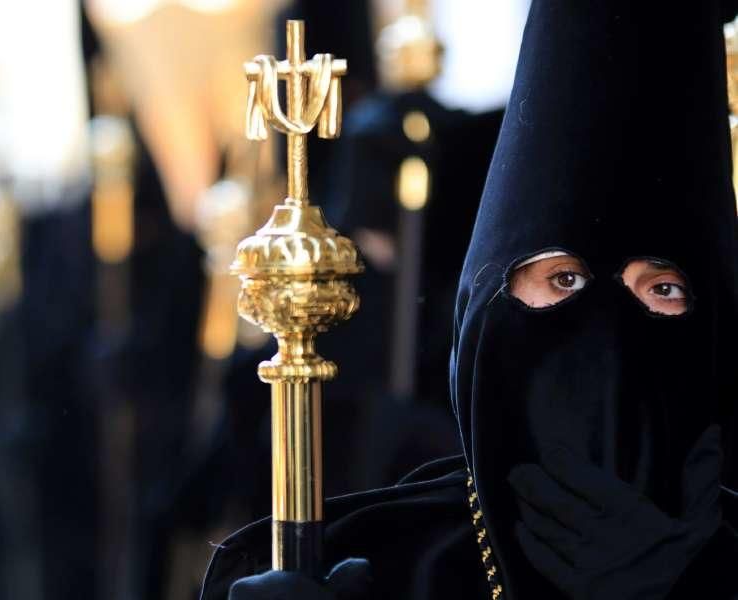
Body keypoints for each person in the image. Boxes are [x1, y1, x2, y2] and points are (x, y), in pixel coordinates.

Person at [199, 1, 738, 598]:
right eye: (564, 281)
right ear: (486, 305)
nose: (607, 340)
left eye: (661, 290)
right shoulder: (378, 571)